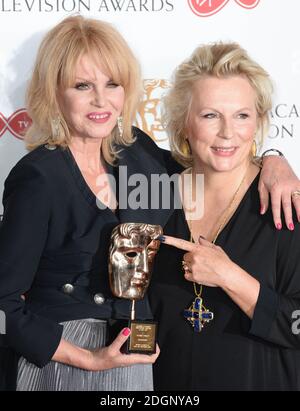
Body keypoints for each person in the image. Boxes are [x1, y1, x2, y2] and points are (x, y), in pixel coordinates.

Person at [0, 16, 298, 391]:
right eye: (82, 85)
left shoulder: (137, 154)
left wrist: (274, 159)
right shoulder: (40, 177)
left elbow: (217, 153)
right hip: (68, 362)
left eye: (113, 84)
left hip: (136, 364)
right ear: (54, 91)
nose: (100, 100)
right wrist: (86, 357)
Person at [149, 42, 300, 391]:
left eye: (242, 115)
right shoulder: (154, 196)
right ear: (184, 123)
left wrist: (231, 276)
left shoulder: (285, 205)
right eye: (210, 115)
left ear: (259, 121)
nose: (228, 132)